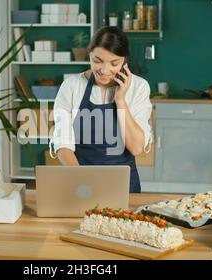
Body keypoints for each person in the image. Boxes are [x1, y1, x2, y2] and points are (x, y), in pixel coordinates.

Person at [49, 26, 153, 193]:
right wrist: (82, 181)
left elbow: (136, 148)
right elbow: (63, 145)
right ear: (89, 54)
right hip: (80, 183)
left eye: (114, 63)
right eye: (97, 61)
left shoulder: (138, 87)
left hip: (124, 186)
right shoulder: (71, 86)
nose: (104, 71)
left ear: (124, 61)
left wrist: (120, 100)